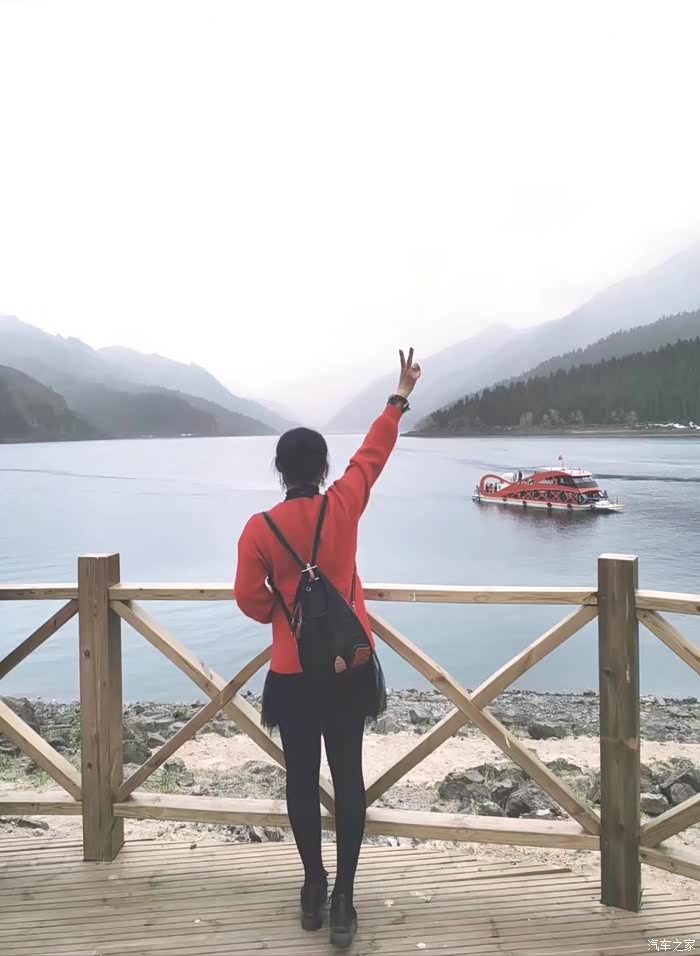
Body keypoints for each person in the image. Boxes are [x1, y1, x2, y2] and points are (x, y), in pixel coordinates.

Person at [234, 348, 421, 948]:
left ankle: (312, 886)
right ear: (322, 468)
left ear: (279, 471)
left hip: (292, 673)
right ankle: (344, 899)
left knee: (300, 780)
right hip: (347, 666)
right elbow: (373, 454)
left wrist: (285, 614)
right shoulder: (343, 505)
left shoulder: (259, 528)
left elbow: (248, 599)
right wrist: (398, 396)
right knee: (349, 778)